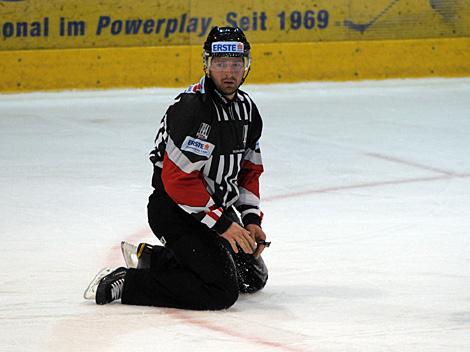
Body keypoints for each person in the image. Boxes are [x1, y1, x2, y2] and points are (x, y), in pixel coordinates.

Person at [84, 26, 270, 310]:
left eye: (236, 63)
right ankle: (128, 282)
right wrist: (223, 225)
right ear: (207, 65)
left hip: (214, 208)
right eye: (220, 64)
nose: (229, 72)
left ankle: (153, 259)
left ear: (247, 65)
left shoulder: (247, 110)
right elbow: (178, 182)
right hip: (174, 210)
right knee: (221, 290)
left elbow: (248, 171)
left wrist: (250, 220)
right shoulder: (193, 110)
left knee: (251, 277)